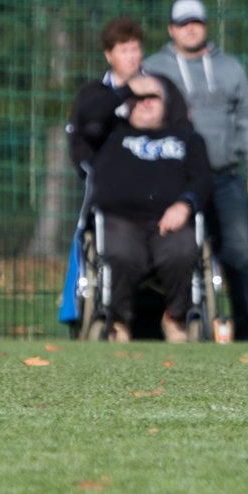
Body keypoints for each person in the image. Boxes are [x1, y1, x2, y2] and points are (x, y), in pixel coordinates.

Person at [144, 0, 248, 341]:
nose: (190, 29)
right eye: (183, 23)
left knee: (241, 252)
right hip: (173, 181)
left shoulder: (229, 68)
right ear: (171, 29)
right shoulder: (154, 67)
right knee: (167, 251)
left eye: (196, 22)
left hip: (224, 177)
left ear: (205, 26)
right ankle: (163, 326)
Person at [71, 74, 211, 342]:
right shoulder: (111, 133)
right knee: (122, 255)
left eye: (153, 97)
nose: (146, 103)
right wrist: (123, 91)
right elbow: (85, 119)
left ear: (166, 103)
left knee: (181, 251)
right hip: (120, 219)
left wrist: (184, 204)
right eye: (139, 98)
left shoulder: (187, 138)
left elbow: (203, 178)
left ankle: (175, 318)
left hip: (169, 220)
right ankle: (118, 321)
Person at [67, 18, 188, 176]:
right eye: (124, 51)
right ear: (109, 55)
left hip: (153, 177)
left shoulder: (160, 86)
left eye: (135, 49)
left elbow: (182, 127)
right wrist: (92, 172)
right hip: (107, 180)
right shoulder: (92, 92)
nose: (131, 57)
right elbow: (80, 130)